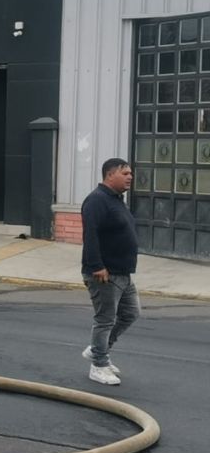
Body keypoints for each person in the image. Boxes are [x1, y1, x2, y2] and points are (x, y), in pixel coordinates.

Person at [80, 158, 140, 386]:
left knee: (131, 313)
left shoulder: (116, 200)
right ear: (109, 175)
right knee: (104, 320)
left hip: (123, 273)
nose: (130, 177)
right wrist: (97, 266)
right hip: (104, 273)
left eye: (130, 173)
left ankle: (97, 350)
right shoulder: (96, 201)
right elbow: (90, 236)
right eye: (125, 173)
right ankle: (99, 365)